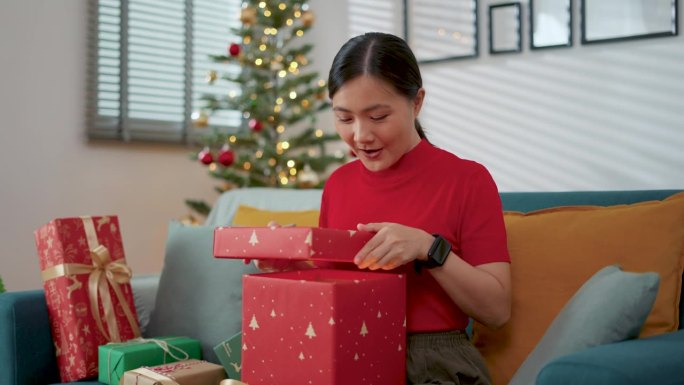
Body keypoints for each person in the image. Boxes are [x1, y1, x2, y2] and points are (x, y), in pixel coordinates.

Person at [260, 32, 511, 385]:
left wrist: (428, 248)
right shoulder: (338, 185)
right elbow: (333, 291)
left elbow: (497, 310)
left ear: (416, 102)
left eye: (378, 116)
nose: (361, 136)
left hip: (432, 360)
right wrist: (290, 267)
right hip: (345, 350)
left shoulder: (468, 180)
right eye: (345, 119)